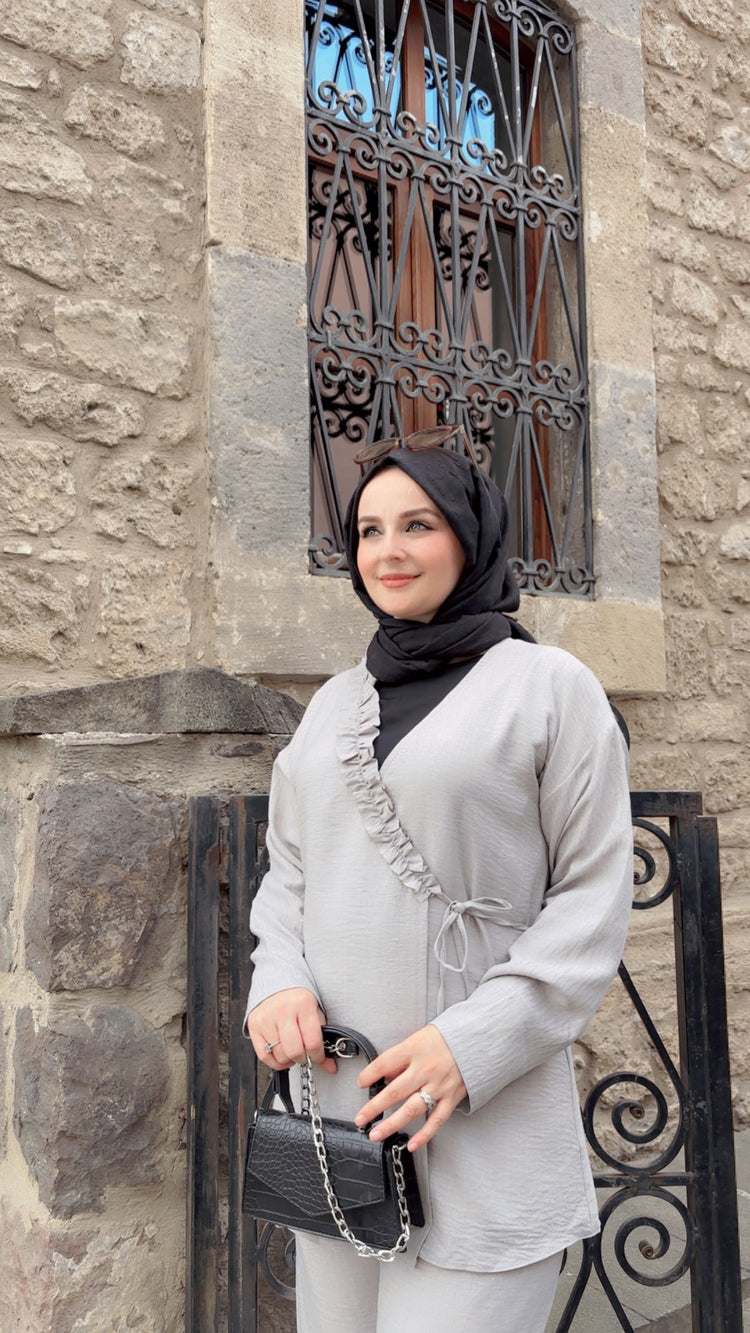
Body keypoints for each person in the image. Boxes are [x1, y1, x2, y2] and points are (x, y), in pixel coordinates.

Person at [245, 429, 634, 1333]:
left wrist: (473, 1046)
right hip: (341, 1121)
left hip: (482, 1117)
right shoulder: (333, 704)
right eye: (369, 530)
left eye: (417, 524)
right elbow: (289, 870)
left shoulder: (550, 687)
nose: (389, 550)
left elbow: (592, 899)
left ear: (470, 533)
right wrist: (279, 981)